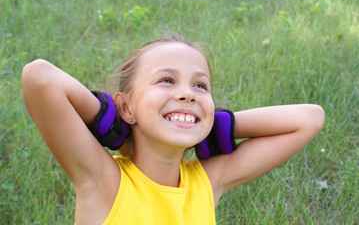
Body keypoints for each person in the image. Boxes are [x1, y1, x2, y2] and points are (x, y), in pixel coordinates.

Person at [22, 33, 325, 225]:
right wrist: (109, 124)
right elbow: (40, 78)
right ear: (126, 108)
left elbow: (309, 118)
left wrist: (218, 125)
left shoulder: (206, 183)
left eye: (200, 85)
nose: (188, 94)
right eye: (167, 80)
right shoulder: (105, 182)